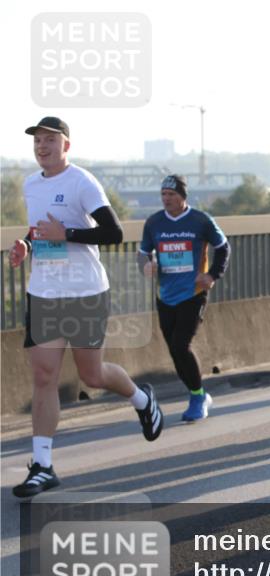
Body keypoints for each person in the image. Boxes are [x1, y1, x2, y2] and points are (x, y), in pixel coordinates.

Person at [9, 117, 164, 498]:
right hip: (44, 291)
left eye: (50, 140)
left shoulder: (82, 181)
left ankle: (142, 399)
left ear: (66, 146)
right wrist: (26, 246)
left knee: (92, 376)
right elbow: (39, 230)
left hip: (84, 292)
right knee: (44, 376)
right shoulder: (31, 184)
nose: (42, 146)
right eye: (37, 141)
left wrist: (70, 235)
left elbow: (113, 232)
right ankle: (42, 465)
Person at [138, 175, 230, 421]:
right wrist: (146, 266)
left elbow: (223, 247)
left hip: (193, 293)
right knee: (175, 351)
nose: (167, 199)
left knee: (181, 345)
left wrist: (212, 275)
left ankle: (198, 397)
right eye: (163, 195)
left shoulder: (201, 220)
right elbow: (143, 254)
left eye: (172, 195)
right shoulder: (154, 222)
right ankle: (197, 392)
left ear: (183, 196)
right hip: (165, 295)